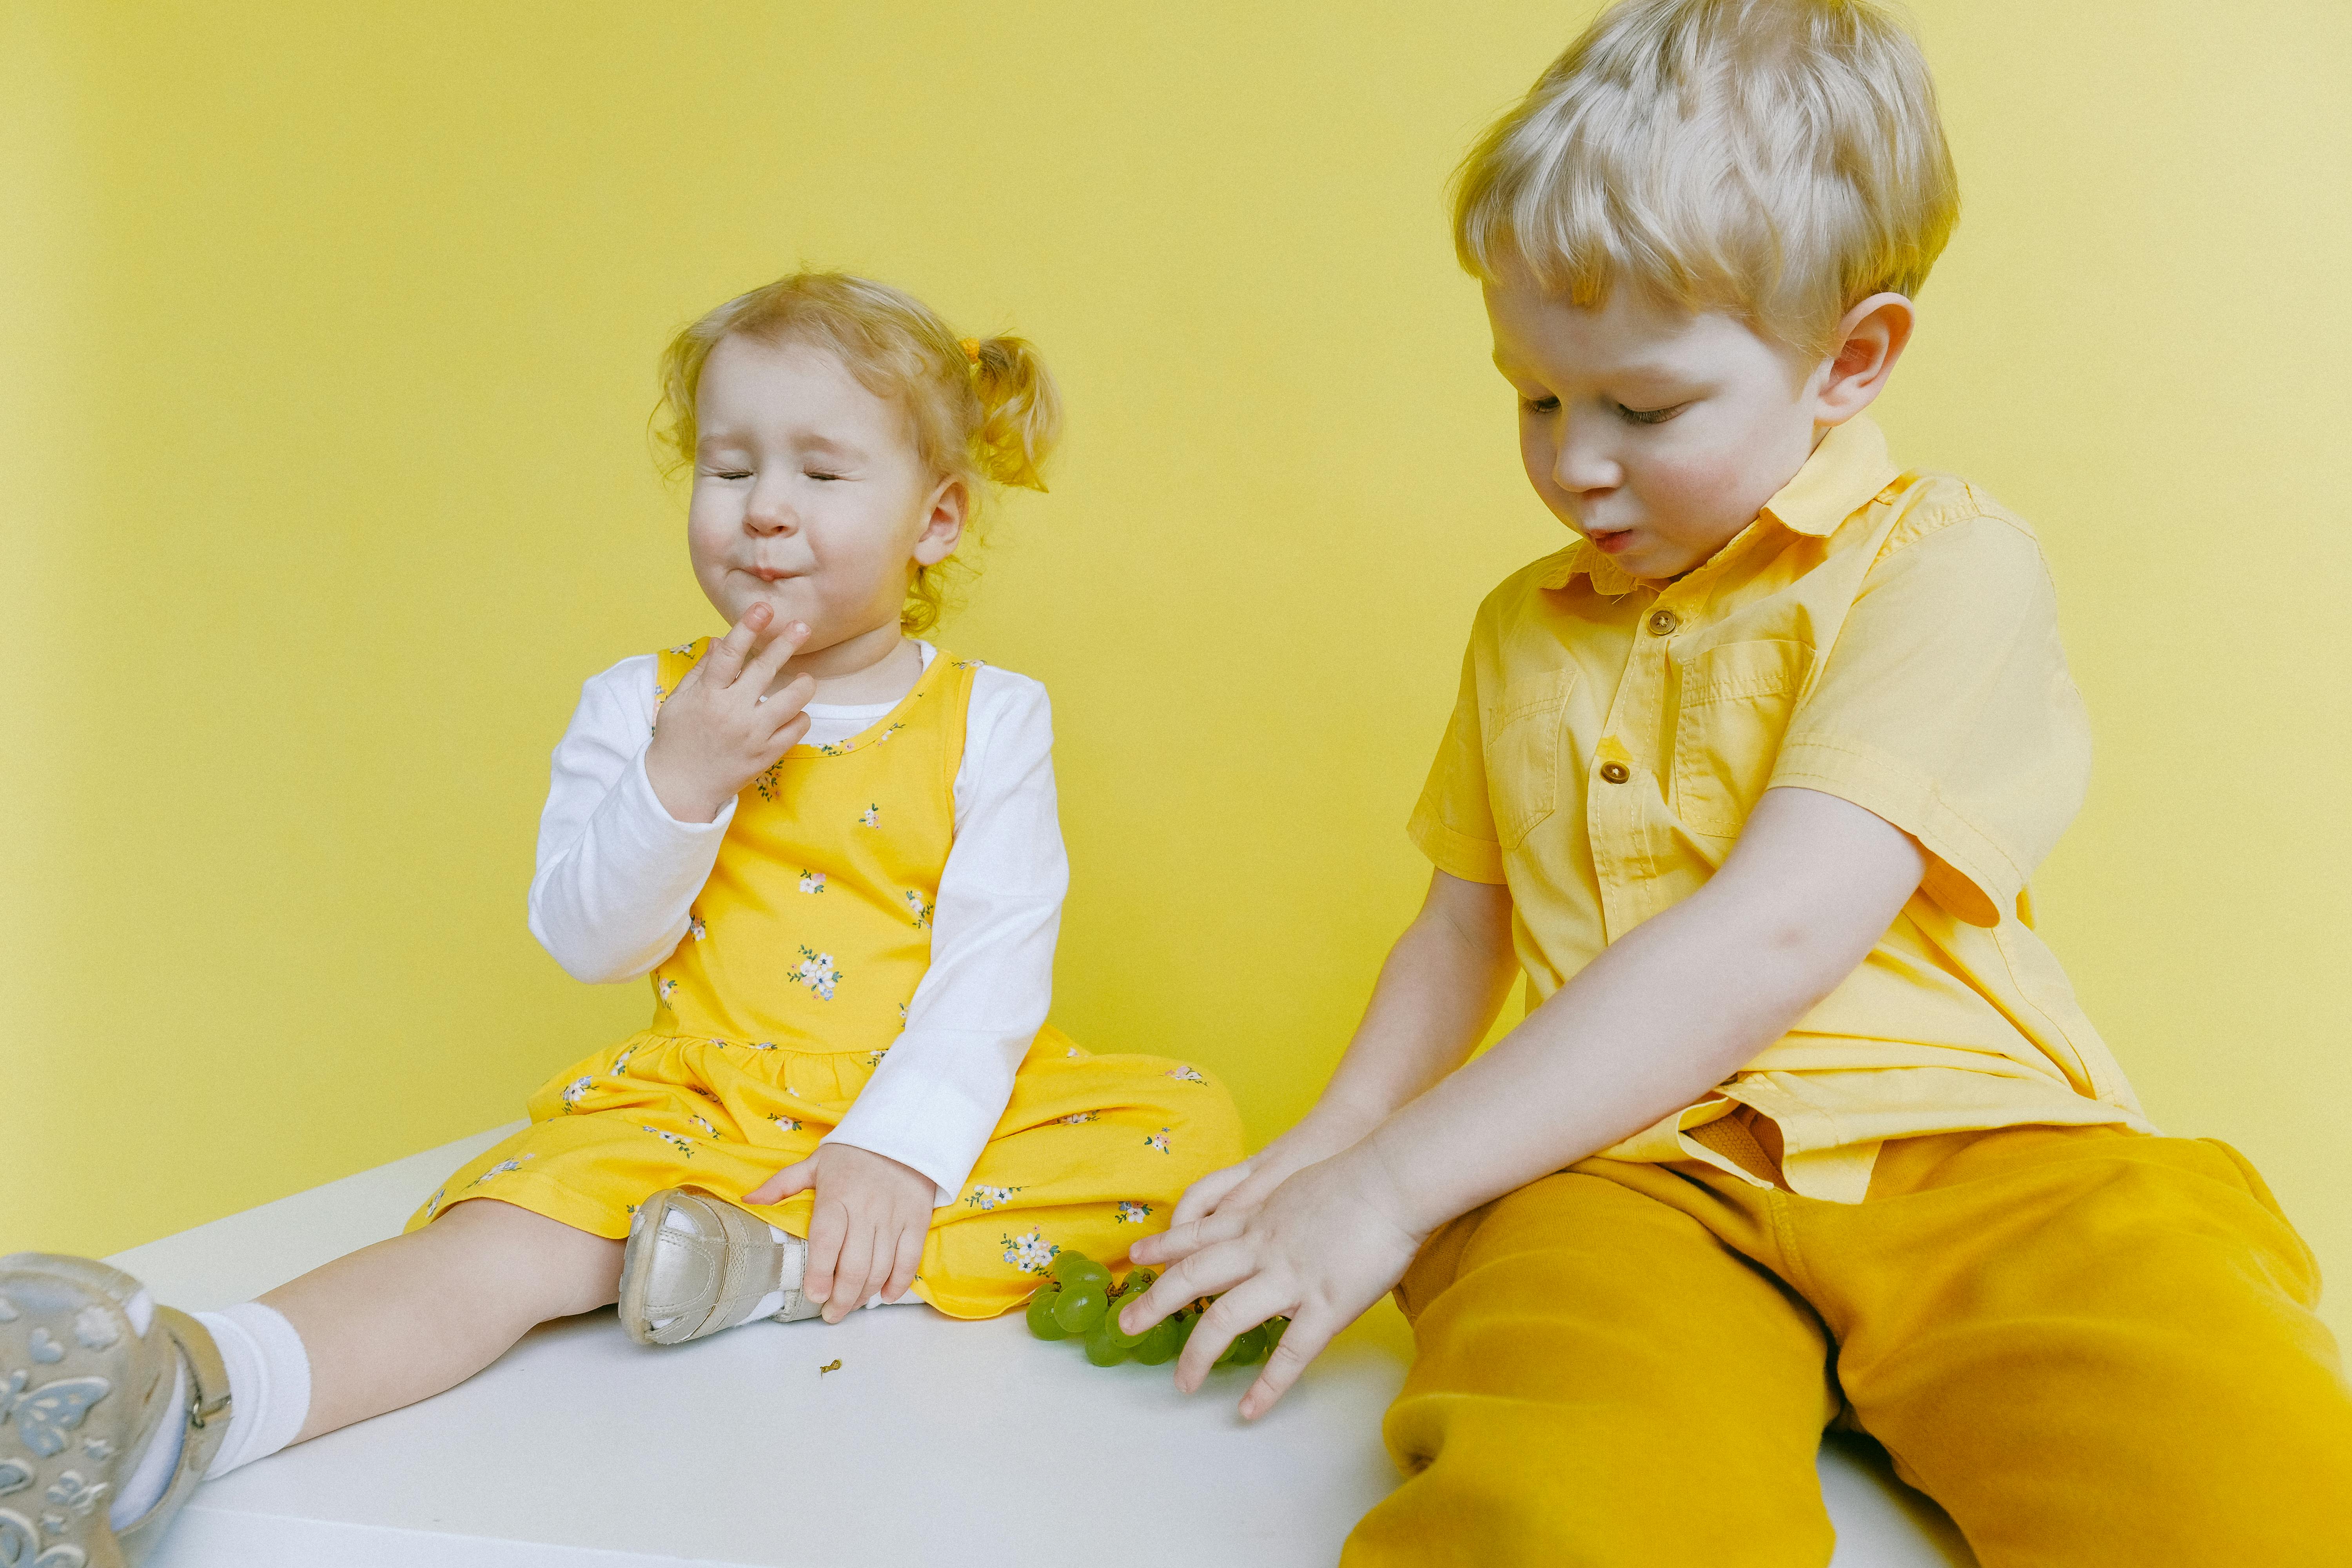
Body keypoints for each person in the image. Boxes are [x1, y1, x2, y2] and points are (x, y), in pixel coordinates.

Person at [1116, 2, 2352, 1561]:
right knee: (1569, 1507)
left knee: (2241, 1459)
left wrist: (1395, 1178)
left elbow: (1779, 929)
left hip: (1973, 1145)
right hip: (1625, 1174)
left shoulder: (1948, 560)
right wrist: (1334, 1147)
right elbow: (1459, 930)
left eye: (1641, 408)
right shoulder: (1522, 629)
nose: (1575, 460)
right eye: (1535, 396)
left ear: (1851, 359)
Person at [1, 271, 1241, 1566]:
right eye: (728, 469)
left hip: (934, 1107)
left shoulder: (994, 716)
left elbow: (997, 962)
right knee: (496, 1250)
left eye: (822, 476)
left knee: (1189, 1129)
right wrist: (683, 776)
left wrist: (899, 1149)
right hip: (694, 1108)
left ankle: (763, 1262)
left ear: (937, 519)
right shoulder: (638, 702)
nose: (764, 511)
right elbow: (591, 941)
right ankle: (192, 1393)